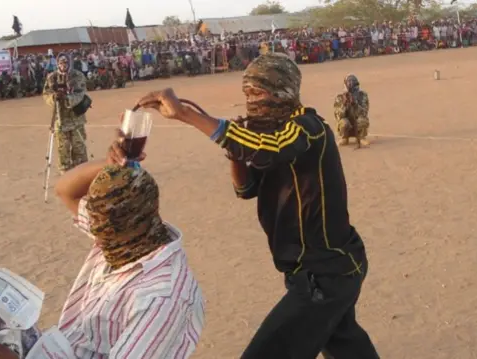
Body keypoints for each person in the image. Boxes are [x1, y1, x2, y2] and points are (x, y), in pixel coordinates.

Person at [123, 53, 378, 359]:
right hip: (312, 270)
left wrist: (188, 115)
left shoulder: (308, 127)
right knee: (345, 343)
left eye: (259, 93)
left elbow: (272, 149)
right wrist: (234, 152)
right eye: (247, 94)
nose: (252, 101)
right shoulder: (264, 135)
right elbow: (246, 188)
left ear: (283, 90)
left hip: (326, 272)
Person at [0, 159, 205, 359]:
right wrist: (113, 163)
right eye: (96, 227)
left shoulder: (161, 297)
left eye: (106, 233)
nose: (98, 239)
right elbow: (65, 190)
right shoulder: (126, 237)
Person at [43, 54, 89, 174]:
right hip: (60, 119)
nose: (63, 65)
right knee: (62, 149)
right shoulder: (51, 77)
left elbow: (81, 93)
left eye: (66, 63)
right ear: (57, 63)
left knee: (79, 147)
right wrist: (54, 97)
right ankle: (66, 173)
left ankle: (81, 172)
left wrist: (68, 98)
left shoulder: (78, 76)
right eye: (61, 63)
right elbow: (46, 95)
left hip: (76, 118)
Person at [333, 74, 370, 147]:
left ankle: (361, 137)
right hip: (347, 124)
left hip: (357, 123)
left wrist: (355, 104)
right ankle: (344, 138)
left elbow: (364, 113)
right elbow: (338, 116)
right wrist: (344, 105)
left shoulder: (363, 95)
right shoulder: (340, 97)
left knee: (362, 120)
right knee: (343, 122)